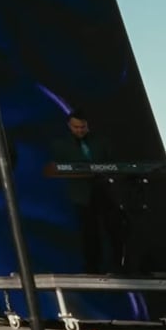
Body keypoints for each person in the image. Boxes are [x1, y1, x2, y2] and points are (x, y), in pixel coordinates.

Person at [43, 112, 123, 273]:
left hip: (105, 191)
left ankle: (120, 265)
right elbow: (53, 168)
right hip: (81, 195)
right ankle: (92, 267)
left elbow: (114, 164)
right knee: (89, 232)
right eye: (76, 127)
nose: (80, 130)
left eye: (83, 127)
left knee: (115, 228)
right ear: (69, 126)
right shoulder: (61, 144)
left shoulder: (100, 142)